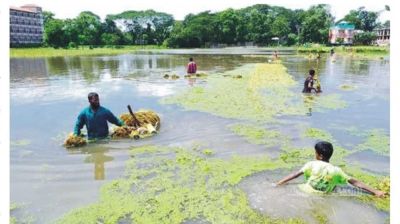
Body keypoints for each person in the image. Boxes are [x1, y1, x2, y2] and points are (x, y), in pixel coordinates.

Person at [276, 141, 385, 197]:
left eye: (315, 153)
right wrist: (376, 191)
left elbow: (296, 174)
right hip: (322, 196)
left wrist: (279, 182)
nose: (315, 155)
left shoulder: (311, 164)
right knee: (336, 187)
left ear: (320, 156)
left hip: (303, 192)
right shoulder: (337, 171)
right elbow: (355, 182)